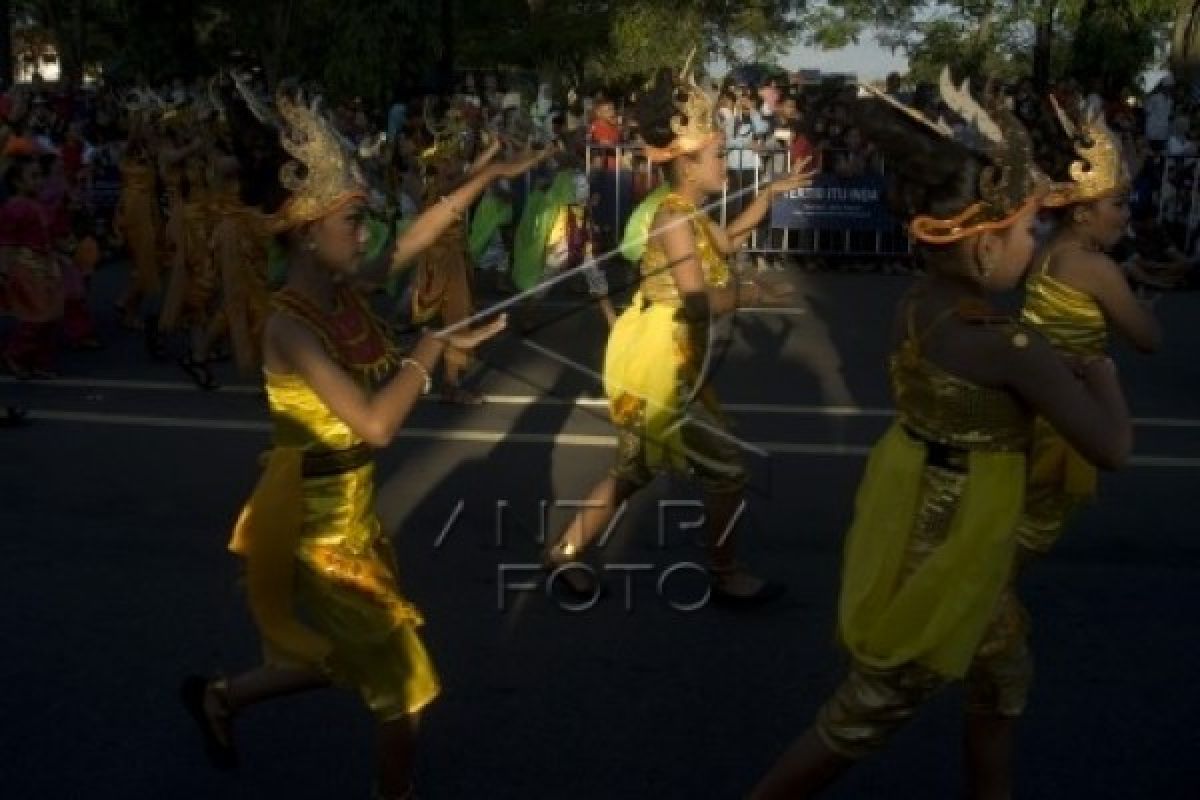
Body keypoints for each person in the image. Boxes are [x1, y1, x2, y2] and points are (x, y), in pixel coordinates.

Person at [750, 70, 1131, 799]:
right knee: (875, 704)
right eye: (1027, 230)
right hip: (953, 539)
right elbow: (1111, 449)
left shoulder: (920, 300)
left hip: (938, 501)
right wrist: (1100, 372)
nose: (1037, 240)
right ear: (986, 247)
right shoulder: (1006, 346)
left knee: (1002, 672)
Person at [179, 80, 545, 799]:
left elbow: (411, 240)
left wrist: (482, 180)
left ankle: (221, 696)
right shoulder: (289, 324)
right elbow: (375, 425)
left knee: (344, 657)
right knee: (406, 690)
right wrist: (433, 347)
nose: (365, 232)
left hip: (356, 520)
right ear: (310, 232)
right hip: (320, 535)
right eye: (352, 221)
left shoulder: (344, 291)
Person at [542, 57, 813, 607]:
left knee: (634, 468)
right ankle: (725, 572)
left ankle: (564, 552)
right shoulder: (672, 218)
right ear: (687, 165)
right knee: (728, 469)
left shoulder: (694, 212)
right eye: (717, 155)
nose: (726, 165)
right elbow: (695, 302)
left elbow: (728, 243)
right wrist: (750, 295)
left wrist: (769, 195)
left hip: (675, 353)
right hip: (663, 363)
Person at [1017, 101, 1162, 556]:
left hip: (1036, 399)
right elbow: (1148, 339)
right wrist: (1137, 304)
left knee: (1016, 524)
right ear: (1082, 212)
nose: (1125, 215)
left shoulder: (1047, 252)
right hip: (1065, 413)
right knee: (1027, 533)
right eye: (1116, 204)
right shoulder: (1094, 266)